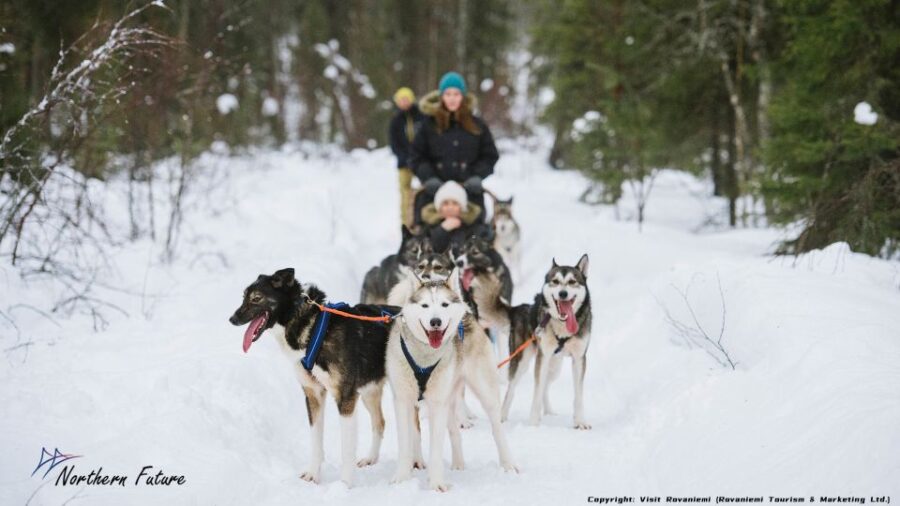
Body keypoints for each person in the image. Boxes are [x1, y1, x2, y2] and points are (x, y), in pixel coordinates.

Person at [409, 71, 499, 225]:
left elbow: (490, 155)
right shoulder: (428, 125)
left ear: (463, 96)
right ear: (441, 96)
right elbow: (416, 156)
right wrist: (428, 177)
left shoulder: (477, 125)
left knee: (478, 236)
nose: (452, 98)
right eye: (448, 94)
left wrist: (477, 176)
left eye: (456, 94)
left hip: (469, 191)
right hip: (434, 192)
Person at [422, 181, 490, 252]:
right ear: (439, 208)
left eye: (455, 203)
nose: (450, 207)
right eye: (445, 203)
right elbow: (430, 250)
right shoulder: (429, 228)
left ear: (461, 207)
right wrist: (442, 230)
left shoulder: (473, 227)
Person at [389, 87, 424, 227]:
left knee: (424, 190)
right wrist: (404, 158)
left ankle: (423, 221)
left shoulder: (421, 117)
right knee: (405, 193)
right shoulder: (396, 121)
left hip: (421, 161)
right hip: (404, 163)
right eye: (401, 100)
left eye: (406, 99)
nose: (404, 102)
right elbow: (394, 143)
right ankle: (406, 224)